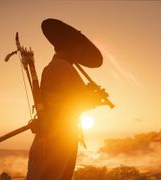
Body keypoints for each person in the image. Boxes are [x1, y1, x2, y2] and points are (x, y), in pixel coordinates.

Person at [26, 18, 105, 180]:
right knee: (54, 175)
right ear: (71, 47)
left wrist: (90, 95)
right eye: (78, 49)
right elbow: (80, 101)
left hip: (54, 133)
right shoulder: (63, 67)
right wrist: (96, 98)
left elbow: (69, 97)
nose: (79, 54)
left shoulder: (54, 67)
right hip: (59, 135)